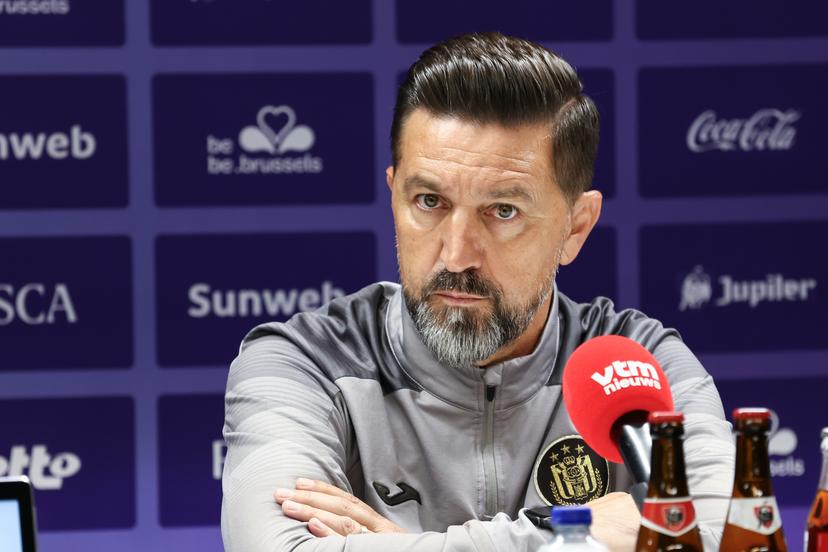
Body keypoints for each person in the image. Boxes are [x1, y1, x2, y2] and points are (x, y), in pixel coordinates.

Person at [221, 32, 734, 552]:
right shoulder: (302, 362)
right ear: (394, 194)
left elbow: (728, 540)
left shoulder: (641, 365)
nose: (456, 254)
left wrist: (406, 545)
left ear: (576, 228)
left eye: (503, 211)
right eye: (428, 201)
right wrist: (568, 532)